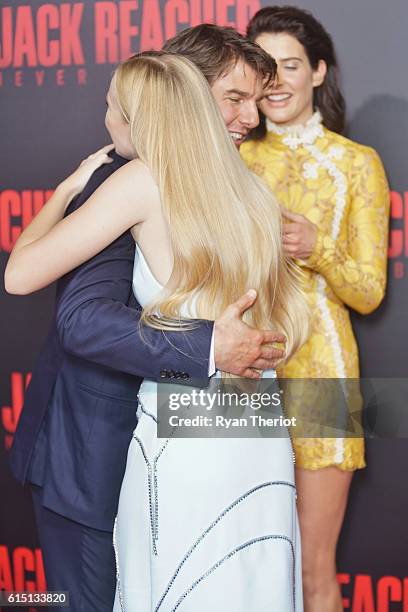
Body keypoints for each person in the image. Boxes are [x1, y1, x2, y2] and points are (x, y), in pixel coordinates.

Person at [6, 52, 308, 610]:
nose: (105, 119)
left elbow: (21, 276)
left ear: (141, 113)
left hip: (178, 429)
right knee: (248, 579)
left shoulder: (137, 181)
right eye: (235, 100)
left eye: (110, 107)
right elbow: (284, 322)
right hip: (254, 422)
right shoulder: (250, 189)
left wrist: (64, 194)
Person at [241, 6, 390, 611]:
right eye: (263, 67)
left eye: (290, 65)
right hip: (240, 372)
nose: (275, 80)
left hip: (323, 378)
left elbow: (369, 292)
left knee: (310, 570)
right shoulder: (232, 161)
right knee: (245, 566)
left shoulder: (357, 164)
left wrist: (319, 248)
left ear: (319, 72)